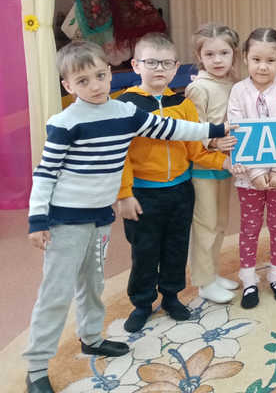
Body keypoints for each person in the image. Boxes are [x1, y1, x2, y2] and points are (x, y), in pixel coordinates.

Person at [24, 41, 231, 393]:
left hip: (100, 217)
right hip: (65, 219)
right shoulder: (64, 123)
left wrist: (214, 130)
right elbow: (45, 173)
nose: (95, 86)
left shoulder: (124, 112)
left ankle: (91, 338)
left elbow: (171, 129)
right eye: (83, 81)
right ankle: (36, 367)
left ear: (110, 73)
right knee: (57, 292)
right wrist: (37, 219)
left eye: (100, 76)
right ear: (68, 86)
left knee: (93, 282)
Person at [115, 33, 239, 333]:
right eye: (151, 62)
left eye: (167, 63)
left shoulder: (182, 103)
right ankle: (142, 304)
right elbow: (118, 156)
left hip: (181, 190)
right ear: (136, 65)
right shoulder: (124, 105)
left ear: (176, 67)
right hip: (143, 193)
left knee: (176, 247)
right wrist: (124, 194)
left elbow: (196, 149)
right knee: (144, 251)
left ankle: (171, 297)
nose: (159, 69)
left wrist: (224, 162)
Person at [227, 28, 276, 308]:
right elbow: (238, 131)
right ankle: (249, 280)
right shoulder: (238, 90)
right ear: (245, 57)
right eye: (256, 59)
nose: (262, 66)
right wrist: (255, 172)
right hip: (249, 176)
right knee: (250, 227)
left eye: (270, 60)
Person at [185, 24, 241, 304]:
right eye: (209, 54)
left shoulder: (236, 84)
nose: (217, 60)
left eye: (224, 53)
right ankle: (204, 282)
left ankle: (212, 273)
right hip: (203, 167)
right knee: (205, 226)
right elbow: (192, 129)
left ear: (234, 54)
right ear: (200, 56)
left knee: (219, 223)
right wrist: (214, 141)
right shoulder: (198, 88)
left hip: (225, 166)